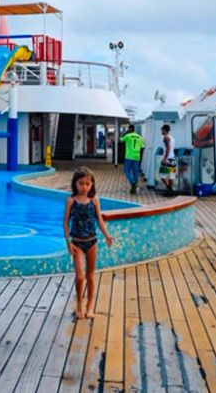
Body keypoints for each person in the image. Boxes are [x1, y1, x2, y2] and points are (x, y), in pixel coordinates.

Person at [63, 167, 114, 319]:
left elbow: (99, 220)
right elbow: (65, 223)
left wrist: (107, 236)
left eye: (87, 184)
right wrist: (68, 242)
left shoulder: (94, 200)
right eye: (81, 183)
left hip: (92, 242)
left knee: (90, 276)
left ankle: (90, 306)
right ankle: (79, 303)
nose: (84, 187)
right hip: (77, 243)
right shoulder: (71, 201)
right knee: (80, 277)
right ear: (75, 184)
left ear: (92, 184)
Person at [120, 123, 145, 195]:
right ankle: (133, 189)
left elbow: (120, 139)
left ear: (130, 129)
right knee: (135, 173)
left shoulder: (128, 136)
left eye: (128, 128)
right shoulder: (140, 137)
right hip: (137, 157)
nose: (128, 129)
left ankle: (133, 183)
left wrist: (125, 132)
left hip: (129, 157)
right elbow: (143, 147)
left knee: (126, 171)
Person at [159, 123, 176, 196]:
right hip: (173, 158)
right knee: (171, 175)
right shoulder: (172, 138)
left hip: (168, 159)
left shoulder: (166, 138)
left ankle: (169, 189)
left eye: (162, 130)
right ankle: (170, 191)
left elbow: (168, 148)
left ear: (165, 130)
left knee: (162, 175)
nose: (161, 131)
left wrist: (165, 158)